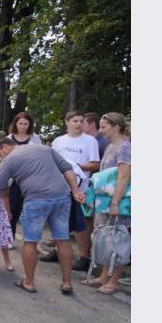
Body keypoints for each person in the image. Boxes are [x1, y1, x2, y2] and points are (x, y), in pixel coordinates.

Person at [0, 138, 85, 294]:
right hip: (62, 197)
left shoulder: (8, 160)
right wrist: (75, 190)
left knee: (30, 241)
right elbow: (67, 169)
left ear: (3, 148)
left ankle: (29, 282)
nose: (0, 157)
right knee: (62, 240)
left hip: (36, 199)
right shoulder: (44, 148)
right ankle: (66, 283)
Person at [82, 112, 131, 294]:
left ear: (116, 127)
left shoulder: (125, 147)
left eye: (104, 127)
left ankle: (114, 279)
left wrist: (115, 203)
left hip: (117, 201)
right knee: (104, 237)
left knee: (116, 239)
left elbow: (124, 176)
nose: (100, 131)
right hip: (104, 200)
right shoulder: (111, 146)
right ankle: (104, 274)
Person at [50, 111, 100, 271]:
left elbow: (95, 164)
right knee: (58, 218)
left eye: (81, 121)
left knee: (82, 222)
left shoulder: (90, 141)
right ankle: (57, 251)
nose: (78, 124)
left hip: (81, 187)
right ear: (67, 122)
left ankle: (84, 256)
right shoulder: (58, 141)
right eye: (75, 121)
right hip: (59, 185)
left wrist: (74, 166)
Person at [6, 112, 42, 242]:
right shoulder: (9, 138)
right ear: (15, 124)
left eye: (26, 124)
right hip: (13, 179)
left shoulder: (35, 138)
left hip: (30, 178)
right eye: (20, 123)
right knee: (13, 208)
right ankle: (10, 237)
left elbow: (39, 157)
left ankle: (31, 239)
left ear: (30, 124)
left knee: (30, 208)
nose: (23, 126)